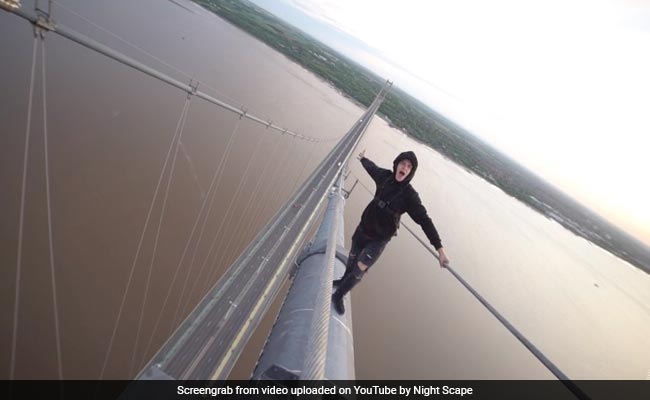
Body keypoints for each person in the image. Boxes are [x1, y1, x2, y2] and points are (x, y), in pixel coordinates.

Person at [331, 150, 450, 315]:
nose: (405, 168)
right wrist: (363, 159)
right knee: (352, 257)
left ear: (411, 172)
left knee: (361, 266)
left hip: (380, 238)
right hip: (364, 227)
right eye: (403, 164)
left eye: (409, 167)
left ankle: (339, 295)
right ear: (396, 165)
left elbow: (425, 220)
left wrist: (440, 249)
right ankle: (342, 281)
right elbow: (372, 168)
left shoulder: (410, 196)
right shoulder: (385, 176)